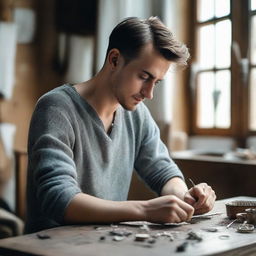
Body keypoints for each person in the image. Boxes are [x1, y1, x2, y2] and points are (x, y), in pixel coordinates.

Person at [25, 16, 216, 234]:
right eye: (144, 77)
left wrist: (185, 197)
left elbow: (163, 171)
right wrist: (144, 210)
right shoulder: (56, 108)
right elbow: (59, 199)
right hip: (48, 247)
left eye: (157, 82)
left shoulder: (137, 115)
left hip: (107, 243)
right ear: (114, 60)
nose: (149, 93)